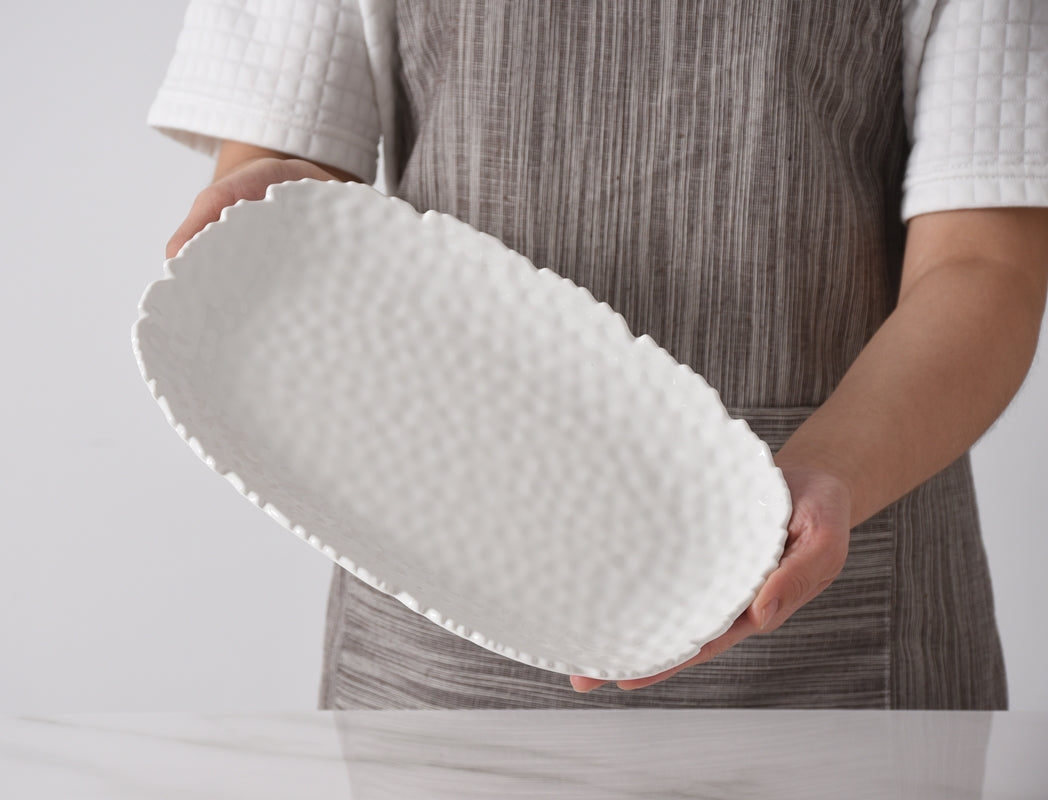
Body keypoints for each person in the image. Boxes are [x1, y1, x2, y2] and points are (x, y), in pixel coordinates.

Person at [149, 0, 1048, 709]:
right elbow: (292, 151)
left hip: (838, 600)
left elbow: (983, 262)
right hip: (439, 601)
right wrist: (279, 205)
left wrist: (827, 475)